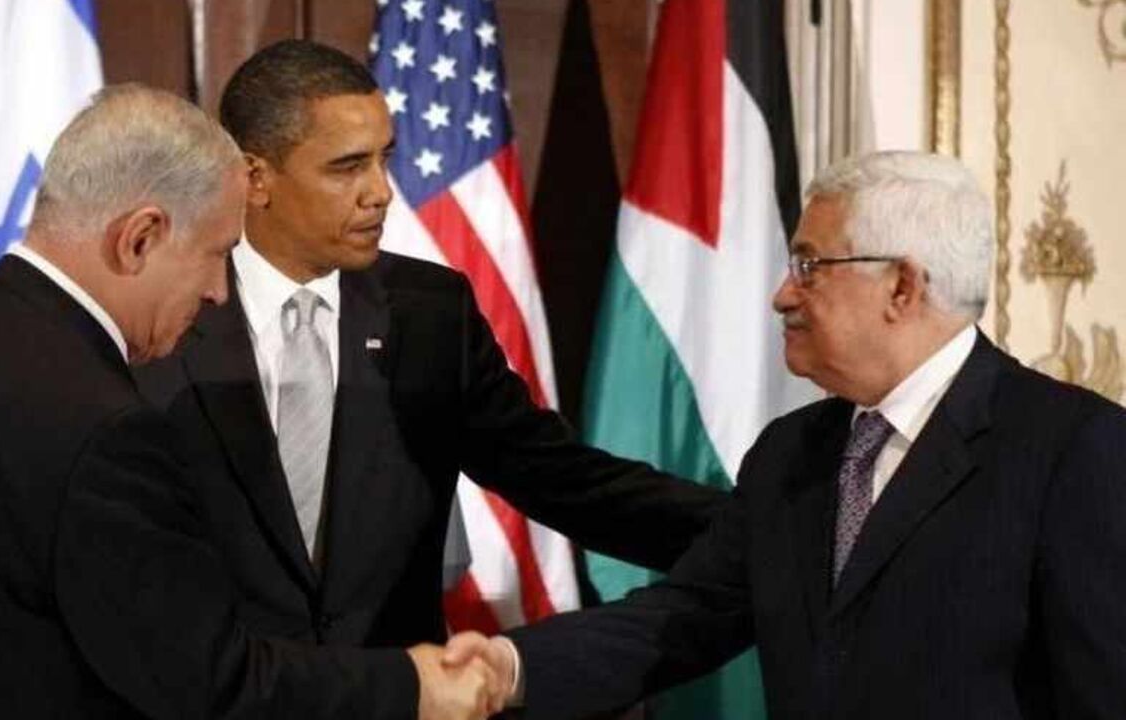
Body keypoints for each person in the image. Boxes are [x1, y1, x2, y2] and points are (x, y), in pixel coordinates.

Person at [0, 84, 500, 720]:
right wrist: (412, 687)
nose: (220, 291)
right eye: (218, 254)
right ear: (139, 238)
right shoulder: (104, 428)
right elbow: (210, 683)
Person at [132, 37, 724, 700]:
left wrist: (759, 531)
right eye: (346, 167)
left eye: (384, 159)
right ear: (256, 177)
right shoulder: (162, 317)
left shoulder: (429, 313)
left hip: (395, 703)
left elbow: (564, 480)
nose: (380, 193)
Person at [448, 150, 1126, 719]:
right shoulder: (790, 454)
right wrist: (509, 665)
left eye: (809, 266)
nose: (782, 295)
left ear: (902, 286)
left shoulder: (1071, 447)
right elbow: (688, 614)